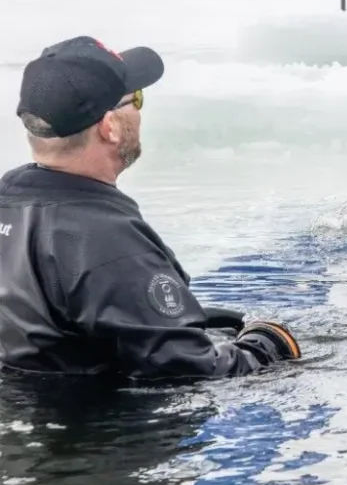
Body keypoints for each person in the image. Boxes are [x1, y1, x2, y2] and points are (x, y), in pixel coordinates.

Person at [1, 37, 301, 380]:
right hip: (104, 427)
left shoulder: (11, 204)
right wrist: (269, 342)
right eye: (137, 101)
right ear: (109, 127)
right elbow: (189, 370)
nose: (141, 113)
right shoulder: (105, 242)